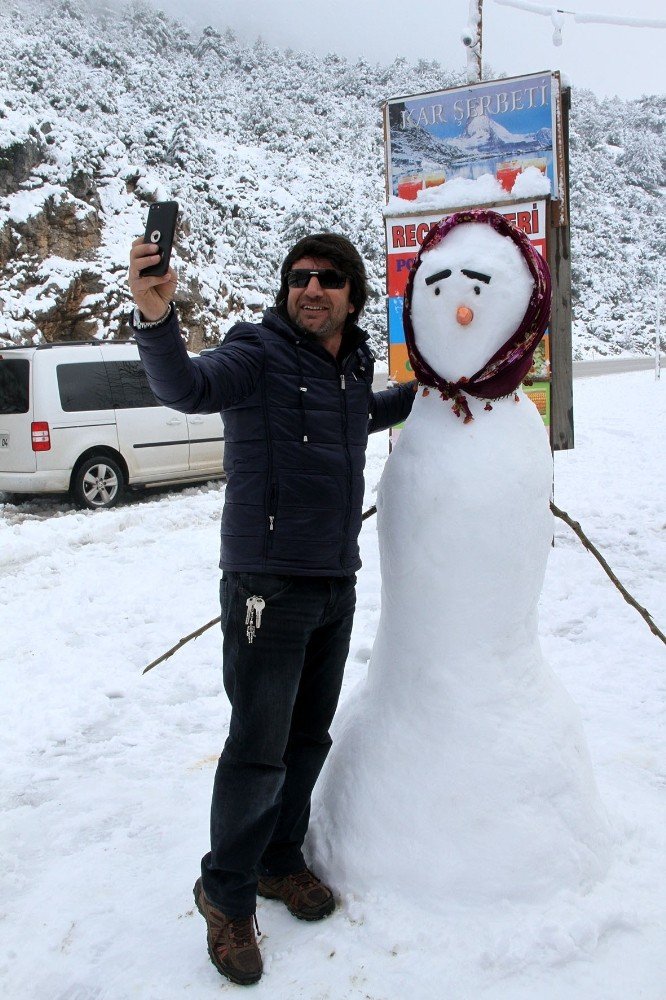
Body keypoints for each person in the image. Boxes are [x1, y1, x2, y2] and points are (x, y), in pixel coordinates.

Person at [128, 230, 416, 986]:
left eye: (327, 279)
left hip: (332, 580)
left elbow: (364, 414)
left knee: (307, 738)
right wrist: (156, 322)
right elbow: (186, 389)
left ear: (353, 297)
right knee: (257, 752)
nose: (310, 289)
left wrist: (431, 395)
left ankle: (279, 861)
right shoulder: (255, 351)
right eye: (298, 277)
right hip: (266, 586)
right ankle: (224, 895)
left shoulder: (351, 366)